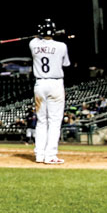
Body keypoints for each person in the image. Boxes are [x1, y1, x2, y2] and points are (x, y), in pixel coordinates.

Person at [30, 19, 70, 164]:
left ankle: (39, 155)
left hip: (40, 84)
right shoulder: (61, 46)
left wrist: (40, 35)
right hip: (55, 83)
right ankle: (50, 155)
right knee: (54, 121)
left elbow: (36, 38)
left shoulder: (33, 44)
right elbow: (66, 64)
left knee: (41, 121)